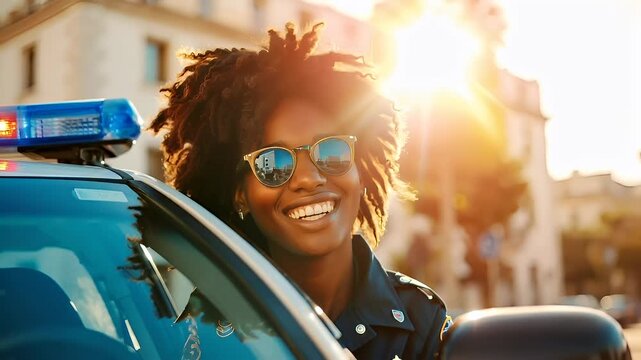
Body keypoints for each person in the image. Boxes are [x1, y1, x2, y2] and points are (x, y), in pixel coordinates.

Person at [150, 23, 450, 359]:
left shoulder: (422, 322)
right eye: (273, 163)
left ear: (360, 169)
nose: (308, 179)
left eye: (331, 152)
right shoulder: (206, 333)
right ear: (239, 194)